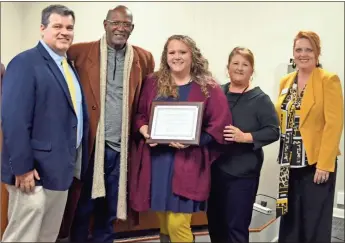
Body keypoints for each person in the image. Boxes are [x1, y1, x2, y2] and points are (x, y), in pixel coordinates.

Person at [59, 5, 155, 243]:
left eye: (126, 25)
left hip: (122, 150)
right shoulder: (78, 52)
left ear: (132, 29)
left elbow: (148, 101)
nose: (120, 28)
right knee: (83, 208)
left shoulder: (143, 58)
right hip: (90, 146)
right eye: (116, 23)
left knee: (110, 211)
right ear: (105, 24)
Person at [129, 35, 232, 243]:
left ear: (192, 55)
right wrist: (145, 130)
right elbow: (139, 115)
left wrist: (194, 140)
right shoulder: (152, 82)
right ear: (166, 56)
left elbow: (219, 126)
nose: (177, 57)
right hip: (158, 162)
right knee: (165, 221)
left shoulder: (209, 87)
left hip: (188, 163)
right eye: (172, 52)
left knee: (178, 224)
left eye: (182, 52)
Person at [1, 4, 89, 242]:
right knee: (23, 237)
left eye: (69, 27)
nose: (65, 32)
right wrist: (22, 167)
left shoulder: (68, 67)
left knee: (47, 237)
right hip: (32, 175)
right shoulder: (25, 63)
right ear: (42, 29)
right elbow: (13, 119)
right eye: (57, 26)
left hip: (60, 172)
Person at [275, 31, 343, 243]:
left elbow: (334, 124)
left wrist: (324, 164)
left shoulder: (328, 80)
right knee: (290, 221)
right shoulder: (286, 81)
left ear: (317, 53)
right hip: (289, 164)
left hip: (316, 164)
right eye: (298, 49)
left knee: (314, 223)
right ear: (293, 53)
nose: (303, 54)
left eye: (308, 49)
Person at [206, 47, 280, 243]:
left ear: (252, 71)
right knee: (215, 224)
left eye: (245, 65)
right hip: (215, 170)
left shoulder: (260, 99)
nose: (239, 68)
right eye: (235, 63)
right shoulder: (216, 93)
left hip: (242, 175)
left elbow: (273, 131)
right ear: (228, 67)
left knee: (236, 228)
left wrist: (245, 136)